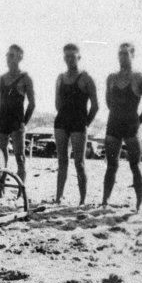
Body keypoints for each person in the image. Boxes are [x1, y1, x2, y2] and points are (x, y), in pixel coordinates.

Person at [101, 43, 142, 211]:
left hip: (131, 126)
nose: (122, 57)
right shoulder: (111, 78)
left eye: (125, 54)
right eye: (120, 54)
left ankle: (138, 204)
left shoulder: (139, 77)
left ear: (133, 55)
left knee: (135, 165)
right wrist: (118, 114)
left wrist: (139, 120)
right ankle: (104, 201)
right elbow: (108, 102)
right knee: (111, 165)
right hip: (113, 124)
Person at [53, 43, 99, 204]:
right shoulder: (60, 78)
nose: (69, 59)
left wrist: (85, 123)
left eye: (72, 56)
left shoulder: (86, 78)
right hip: (61, 121)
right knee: (62, 161)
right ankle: (58, 197)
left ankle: (82, 200)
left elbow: (95, 106)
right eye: (66, 56)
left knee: (79, 162)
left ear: (79, 57)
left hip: (79, 123)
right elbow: (57, 104)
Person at [0, 44, 36, 185]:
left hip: (17, 121)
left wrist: (24, 122)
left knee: (20, 157)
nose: (8, 58)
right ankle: (1, 189)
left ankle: (20, 190)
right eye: (7, 55)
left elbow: (32, 104)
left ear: (19, 58)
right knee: (0, 157)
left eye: (12, 55)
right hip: (2, 119)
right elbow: (1, 100)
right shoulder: (1, 79)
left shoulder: (25, 79)